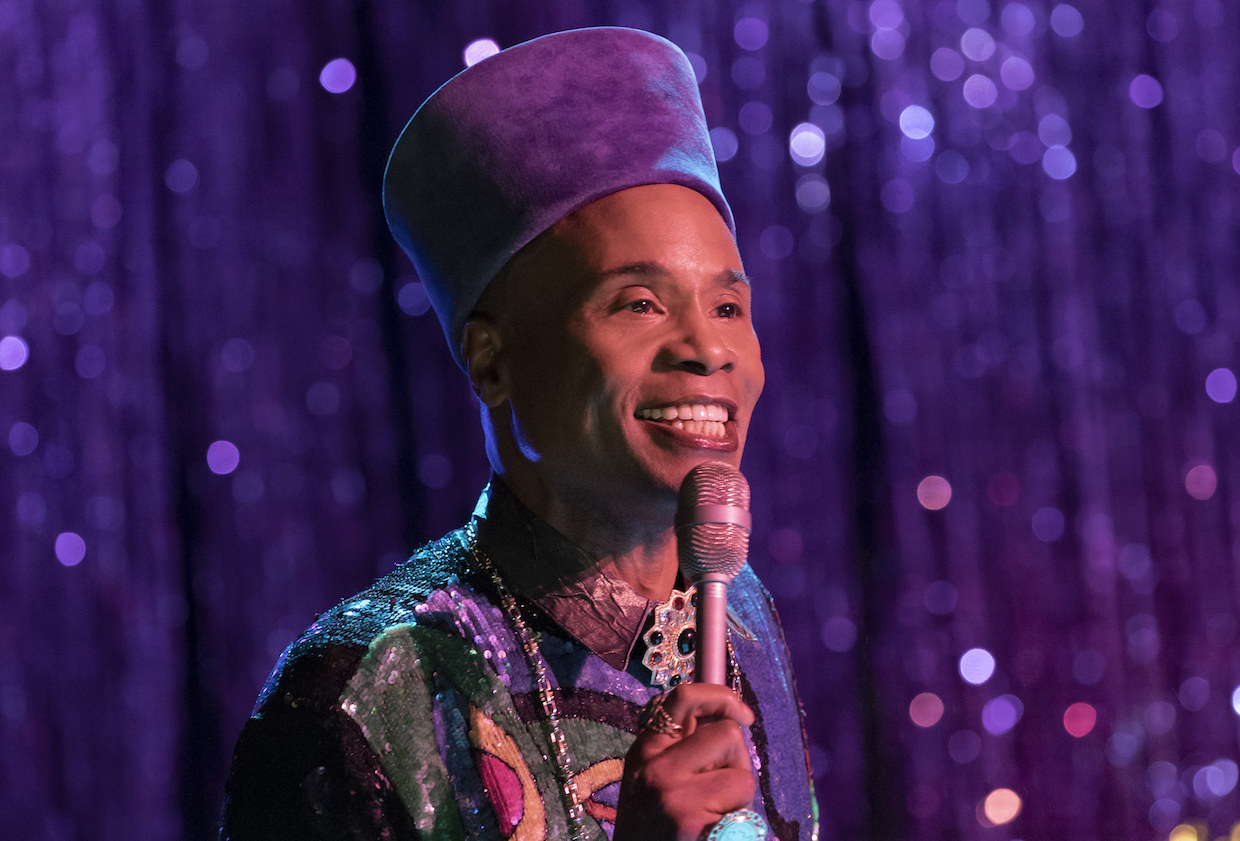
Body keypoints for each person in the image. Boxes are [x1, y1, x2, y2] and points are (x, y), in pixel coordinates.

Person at [220, 27, 816, 841]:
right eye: (638, 303)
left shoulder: (738, 614)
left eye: (727, 307)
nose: (708, 349)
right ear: (492, 359)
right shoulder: (359, 692)